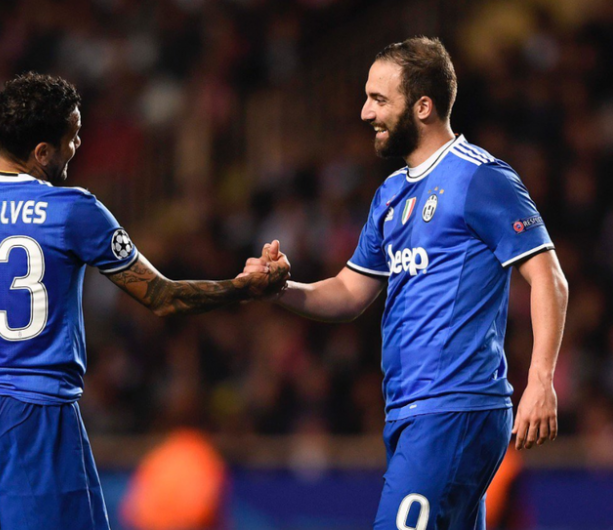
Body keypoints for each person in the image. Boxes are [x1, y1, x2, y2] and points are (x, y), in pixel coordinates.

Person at [0, 72, 289, 530]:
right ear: (42, 152)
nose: (78, 144)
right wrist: (242, 288)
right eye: (72, 135)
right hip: (37, 412)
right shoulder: (72, 211)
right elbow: (162, 297)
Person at [243, 37, 568, 529]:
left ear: (422, 107)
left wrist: (540, 381)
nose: (364, 112)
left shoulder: (480, 178)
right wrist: (281, 290)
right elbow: (349, 292)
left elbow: (548, 278)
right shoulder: (391, 194)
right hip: (410, 412)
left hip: (454, 405)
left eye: (378, 99)